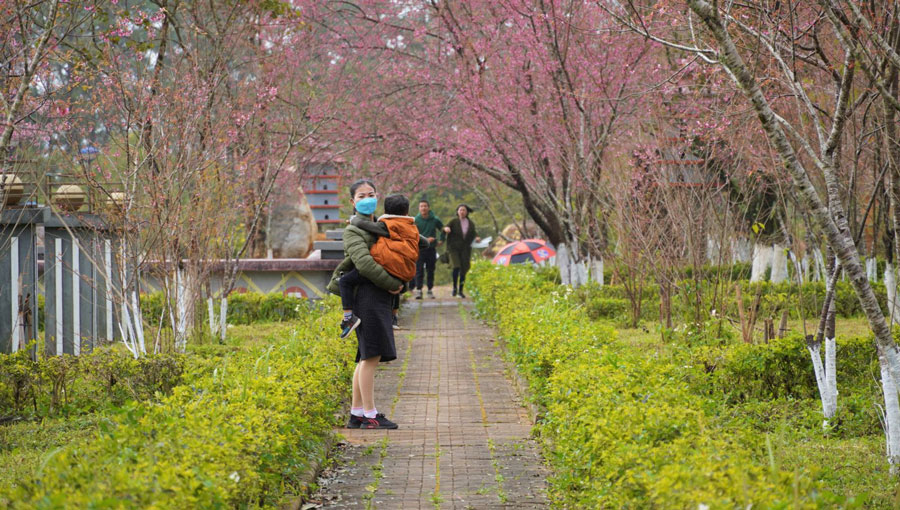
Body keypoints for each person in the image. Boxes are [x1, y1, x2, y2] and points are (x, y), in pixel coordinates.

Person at [325, 179, 403, 430]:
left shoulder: (381, 226)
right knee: (371, 356)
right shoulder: (353, 231)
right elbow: (365, 265)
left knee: (364, 357)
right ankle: (370, 414)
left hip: (377, 296)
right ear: (352, 201)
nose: (367, 198)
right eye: (361, 195)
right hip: (367, 297)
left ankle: (357, 413)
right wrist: (392, 283)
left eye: (371, 193)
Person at [336, 194, 420, 338]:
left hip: (386, 263)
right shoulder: (411, 227)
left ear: (385, 211)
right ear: (407, 212)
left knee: (344, 281)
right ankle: (394, 315)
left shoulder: (387, 225)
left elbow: (366, 225)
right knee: (396, 277)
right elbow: (424, 243)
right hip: (404, 268)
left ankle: (349, 318)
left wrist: (353, 220)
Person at [443, 203, 480, 298]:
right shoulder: (453, 221)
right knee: (456, 266)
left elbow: (474, 233)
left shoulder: (470, 223)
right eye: (460, 210)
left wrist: (477, 237)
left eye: (464, 210)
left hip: (465, 249)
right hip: (453, 248)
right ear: (457, 212)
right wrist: (446, 229)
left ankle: (461, 290)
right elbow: (445, 228)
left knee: (464, 269)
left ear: (467, 212)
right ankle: (454, 288)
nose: (462, 212)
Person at [413, 199, 444, 299]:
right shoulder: (415, 220)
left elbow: (443, 229)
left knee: (431, 270)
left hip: (431, 249)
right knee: (419, 270)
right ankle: (419, 290)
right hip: (420, 249)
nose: (423, 208)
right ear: (419, 208)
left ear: (428, 207)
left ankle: (430, 290)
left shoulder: (435, 219)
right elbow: (412, 235)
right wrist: (425, 240)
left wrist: (442, 240)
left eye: (425, 206)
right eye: (421, 206)